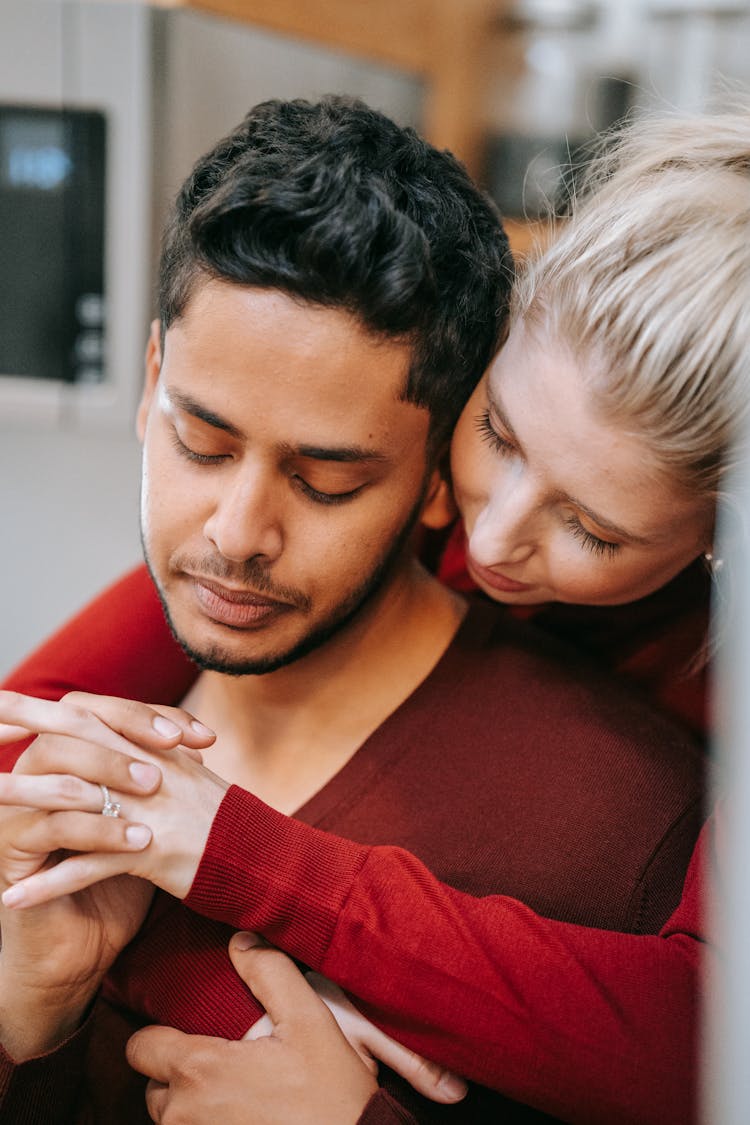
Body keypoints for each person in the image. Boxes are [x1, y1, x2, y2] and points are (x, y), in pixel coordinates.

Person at [0, 96, 719, 1125]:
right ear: (152, 377)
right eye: (202, 441)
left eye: (327, 482)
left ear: (432, 478)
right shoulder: (93, 713)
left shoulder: (631, 836)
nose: (237, 532)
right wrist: (33, 1026)